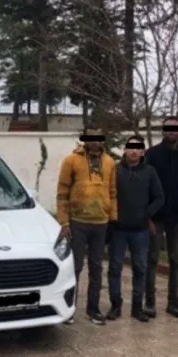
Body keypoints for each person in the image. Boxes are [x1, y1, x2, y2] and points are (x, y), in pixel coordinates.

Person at [56, 126, 117, 325]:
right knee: (75, 267)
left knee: (97, 268)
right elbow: (62, 193)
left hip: (101, 223)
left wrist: (113, 219)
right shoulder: (71, 161)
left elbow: (113, 193)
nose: (95, 141)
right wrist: (64, 222)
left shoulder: (109, 162)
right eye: (91, 137)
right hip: (77, 223)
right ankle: (69, 309)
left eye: (98, 138)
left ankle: (93, 309)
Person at [106, 135, 164, 323]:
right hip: (118, 230)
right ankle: (115, 305)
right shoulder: (115, 171)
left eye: (138, 148)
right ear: (125, 150)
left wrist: (146, 214)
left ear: (142, 152)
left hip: (140, 231)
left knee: (140, 268)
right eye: (130, 147)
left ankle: (137, 307)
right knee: (115, 268)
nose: (134, 151)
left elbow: (159, 198)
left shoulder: (150, 172)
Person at [144, 116, 178, 319]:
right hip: (156, 217)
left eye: (175, 128)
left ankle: (173, 303)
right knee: (152, 259)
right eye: (168, 128)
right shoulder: (152, 155)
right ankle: (149, 302)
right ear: (163, 131)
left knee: (175, 260)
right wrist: (147, 216)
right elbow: (146, 189)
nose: (172, 131)